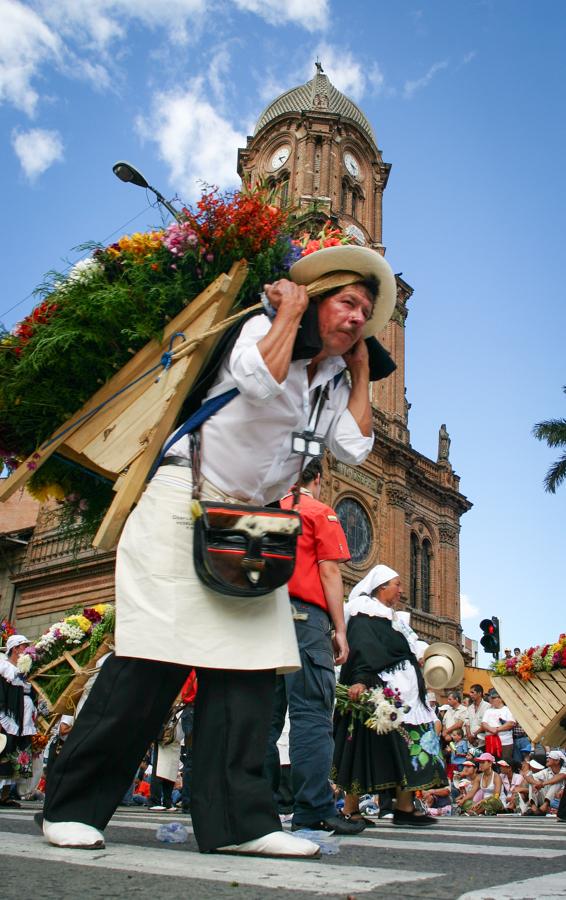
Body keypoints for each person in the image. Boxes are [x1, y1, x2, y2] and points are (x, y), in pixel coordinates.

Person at [39, 241, 396, 857]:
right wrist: (287, 314)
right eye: (347, 302)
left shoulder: (336, 379)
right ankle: (71, 807)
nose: (359, 316)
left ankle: (241, 824)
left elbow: (353, 449)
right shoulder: (262, 324)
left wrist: (361, 372)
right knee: (150, 660)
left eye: (367, 309)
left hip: (250, 524)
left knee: (249, 674)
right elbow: (257, 382)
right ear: (315, 299)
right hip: (185, 498)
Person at [264, 458, 364, 836]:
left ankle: (261, 808)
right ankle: (313, 810)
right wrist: (340, 629)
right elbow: (330, 570)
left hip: (262, 620)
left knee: (266, 720)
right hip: (305, 622)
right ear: (317, 479)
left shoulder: (269, 510)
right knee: (311, 716)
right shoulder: (319, 511)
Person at [333, 565, 447, 828]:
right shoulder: (364, 614)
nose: (401, 590)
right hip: (381, 693)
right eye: (397, 584)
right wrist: (360, 680)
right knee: (364, 746)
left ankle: (405, 807)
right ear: (381, 587)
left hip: (407, 696)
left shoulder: (392, 618)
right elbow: (362, 649)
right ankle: (351, 809)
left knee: (410, 747)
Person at [0, 634, 37, 807]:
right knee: (4, 754)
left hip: (24, 719)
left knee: (16, 756)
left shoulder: (27, 668)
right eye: (24, 646)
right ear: (15, 649)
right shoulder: (3, 667)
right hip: (8, 717)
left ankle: (5, 796)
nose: (26, 650)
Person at [479, 690, 515, 763]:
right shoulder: (488, 711)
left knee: (505, 763)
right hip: (491, 741)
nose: (490, 699)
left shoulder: (507, 710)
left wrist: (497, 729)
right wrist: (491, 729)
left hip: (505, 742)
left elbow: (511, 723)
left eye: (493, 698)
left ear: (500, 698)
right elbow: (483, 723)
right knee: (491, 763)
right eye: (490, 698)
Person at [465, 684, 490, 751]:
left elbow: (485, 724)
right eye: (470, 692)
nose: (470, 694)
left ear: (479, 693)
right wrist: (469, 735)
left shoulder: (487, 707)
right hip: (470, 742)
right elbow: (467, 723)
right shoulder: (470, 708)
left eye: (472, 692)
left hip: (482, 741)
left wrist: (474, 735)